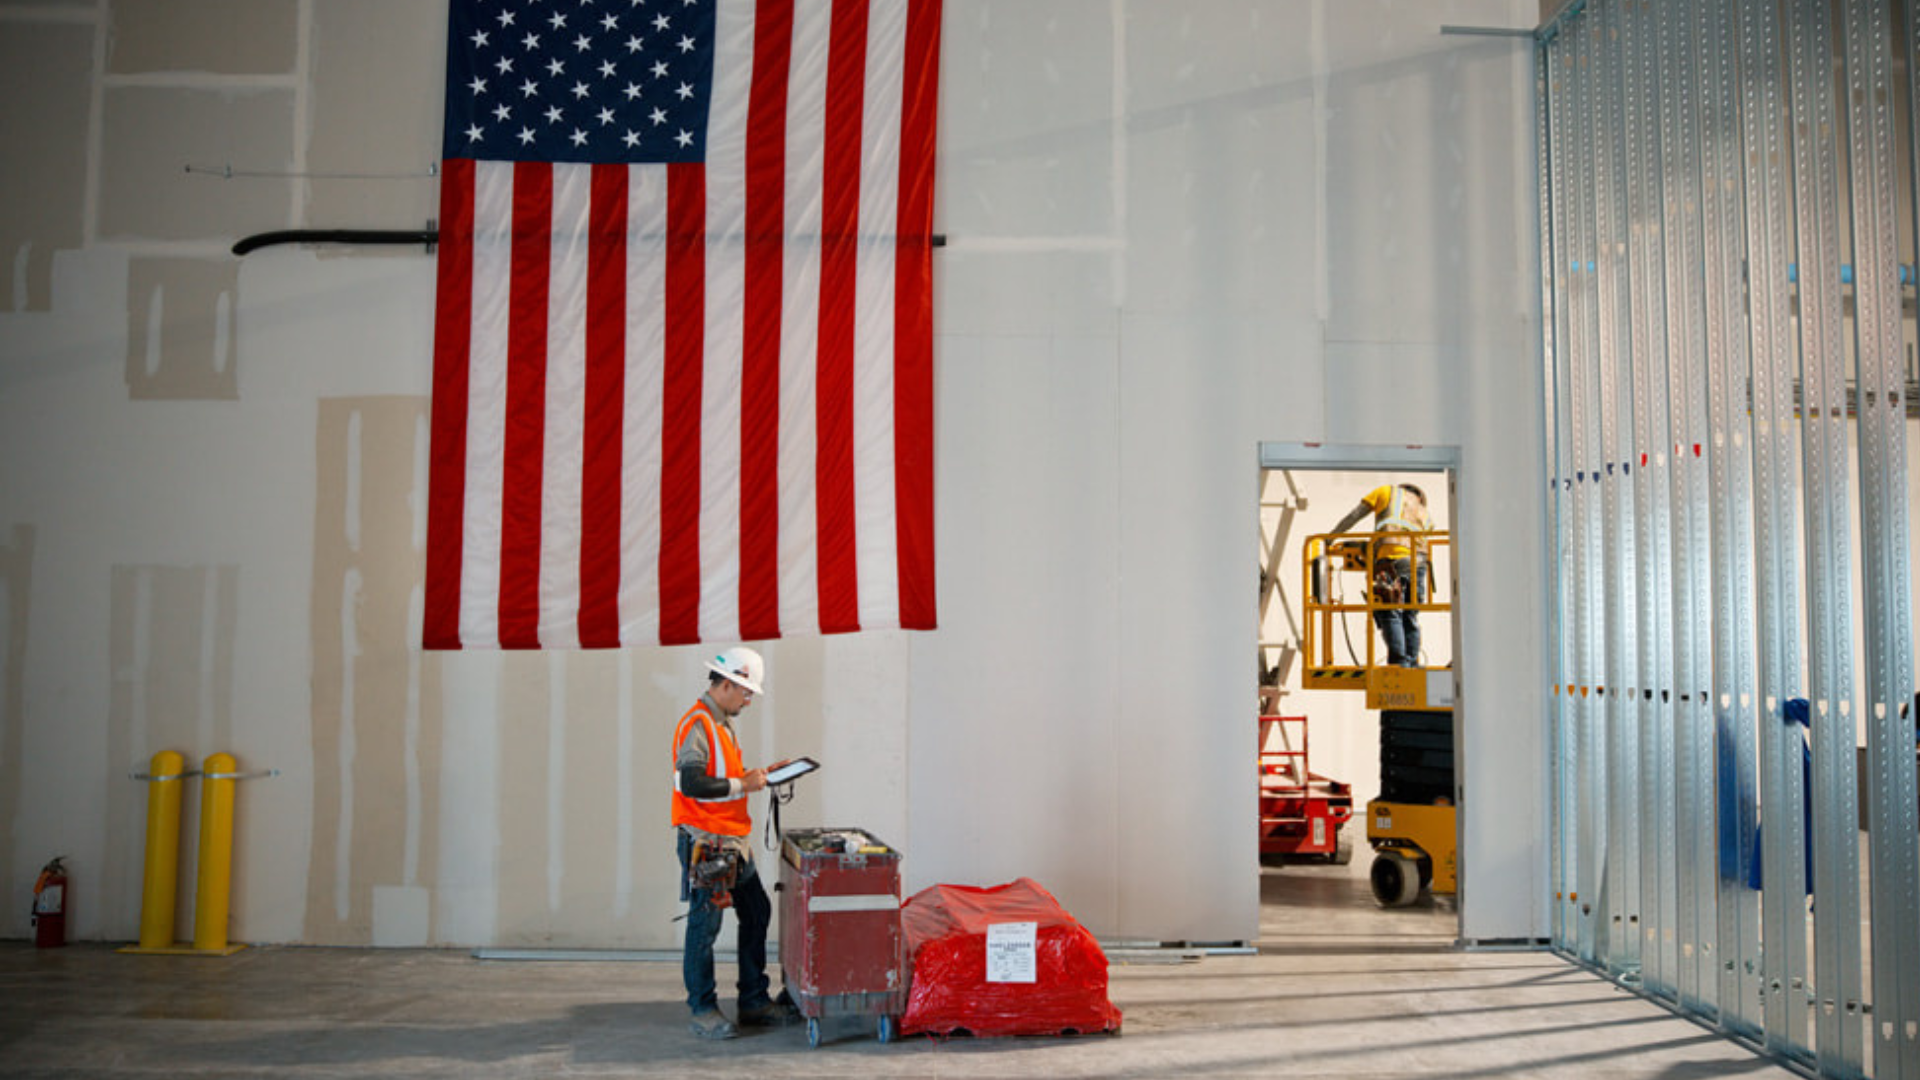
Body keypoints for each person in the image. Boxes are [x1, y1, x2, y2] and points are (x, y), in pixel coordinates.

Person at [672, 645, 799, 1039]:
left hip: (730, 844)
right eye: (745, 692)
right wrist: (744, 783)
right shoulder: (697, 724)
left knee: (757, 911)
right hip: (707, 844)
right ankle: (703, 1010)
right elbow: (691, 782)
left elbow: (721, 778)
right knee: (704, 927)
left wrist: (755, 776)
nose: (748, 700)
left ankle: (753, 1001)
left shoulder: (720, 722)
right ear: (726, 684)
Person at [1330, 483, 1432, 667]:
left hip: (1392, 559)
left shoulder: (1387, 492)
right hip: (1419, 564)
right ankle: (1412, 662)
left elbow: (1355, 515)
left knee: (1390, 611)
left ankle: (1399, 664)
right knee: (1410, 615)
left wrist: (1330, 537)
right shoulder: (1424, 512)